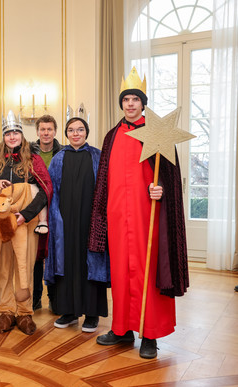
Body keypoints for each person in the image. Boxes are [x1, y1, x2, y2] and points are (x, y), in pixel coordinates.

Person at [89, 67, 189, 359]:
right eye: (126, 99)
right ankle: (121, 330)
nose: (130, 104)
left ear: (143, 103)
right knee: (120, 273)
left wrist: (163, 191)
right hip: (118, 216)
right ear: (121, 104)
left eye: (135, 99)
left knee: (148, 272)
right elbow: (104, 179)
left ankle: (150, 334)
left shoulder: (158, 134)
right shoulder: (111, 136)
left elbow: (170, 177)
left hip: (149, 216)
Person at [0, 112, 52, 335]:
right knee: (3, 267)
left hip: (25, 223)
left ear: (22, 135)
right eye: (8, 133)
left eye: (16, 132)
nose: (12, 136)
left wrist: (25, 215)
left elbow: (46, 189)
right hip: (0, 224)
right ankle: (6, 311)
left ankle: (24, 313)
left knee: (24, 266)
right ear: (4, 136)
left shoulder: (33, 159)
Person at [45, 113, 109, 333]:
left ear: (86, 133)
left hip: (91, 222)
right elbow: (51, 191)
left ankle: (91, 314)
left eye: (80, 129)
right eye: (71, 130)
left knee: (90, 264)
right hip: (64, 222)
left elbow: (105, 189)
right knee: (67, 263)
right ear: (66, 134)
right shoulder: (58, 158)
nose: (76, 133)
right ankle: (69, 311)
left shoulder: (97, 156)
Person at [33, 114, 62, 312]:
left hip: (57, 210)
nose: (45, 133)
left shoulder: (63, 152)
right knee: (35, 256)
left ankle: (55, 298)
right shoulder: (28, 153)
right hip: (35, 211)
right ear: (37, 132)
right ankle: (35, 299)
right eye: (42, 129)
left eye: (49, 129)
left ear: (55, 131)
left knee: (54, 254)